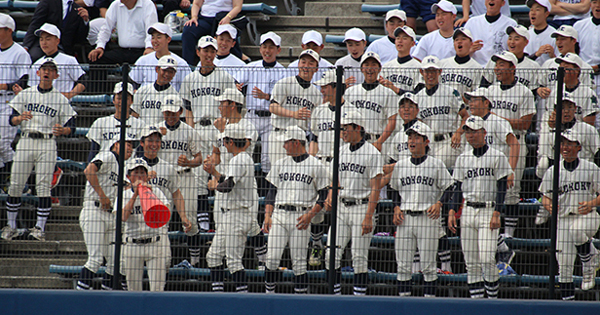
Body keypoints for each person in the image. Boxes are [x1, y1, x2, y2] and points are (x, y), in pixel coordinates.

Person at [1, 58, 76, 241]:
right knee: (16, 185)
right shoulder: (26, 94)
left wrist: (63, 130)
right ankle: (11, 226)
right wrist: (20, 119)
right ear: (38, 72)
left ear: (56, 75)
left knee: (43, 187)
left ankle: (39, 229)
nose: (47, 73)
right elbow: (12, 119)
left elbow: (71, 126)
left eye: (51, 70)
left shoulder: (59, 98)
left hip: (47, 142)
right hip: (26, 139)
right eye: (44, 69)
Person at [448, 116, 512, 299]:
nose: (470, 135)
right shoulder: (462, 158)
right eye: (467, 131)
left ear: (484, 132)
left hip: (488, 210)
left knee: (486, 258)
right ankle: (476, 303)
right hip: (467, 210)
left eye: (474, 131)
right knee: (471, 262)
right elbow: (457, 188)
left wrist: (497, 213)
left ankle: (492, 301)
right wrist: (452, 210)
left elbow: (502, 187)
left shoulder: (497, 156)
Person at [387, 123, 454, 297]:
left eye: (416, 137)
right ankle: (404, 306)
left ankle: (429, 305)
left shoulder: (436, 164)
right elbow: (392, 189)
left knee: (428, 267)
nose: (412, 141)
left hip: (427, 218)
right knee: (402, 267)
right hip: (405, 219)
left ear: (426, 141)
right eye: (410, 137)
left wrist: (439, 203)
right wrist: (396, 207)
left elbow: (449, 187)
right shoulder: (401, 165)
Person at [204, 88, 266, 267]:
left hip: (241, 185)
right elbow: (217, 153)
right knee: (222, 229)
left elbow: (241, 151)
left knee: (250, 226)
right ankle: (220, 266)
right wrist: (211, 166)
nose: (219, 107)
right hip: (223, 183)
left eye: (222, 103)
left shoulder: (248, 127)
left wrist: (224, 130)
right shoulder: (220, 128)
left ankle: (262, 261)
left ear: (232, 105)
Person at [263, 126, 329, 294]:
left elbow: (323, 195)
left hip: (301, 216)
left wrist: (310, 215)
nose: (283, 146)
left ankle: (302, 302)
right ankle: (269, 297)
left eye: (286, 142)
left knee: (299, 263)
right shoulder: (280, 164)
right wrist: (267, 216)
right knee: (271, 259)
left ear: (296, 142)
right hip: (279, 214)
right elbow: (271, 193)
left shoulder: (316, 165)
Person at [324, 110, 383, 296]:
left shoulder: (372, 153)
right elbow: (336, 180)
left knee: (359, 257)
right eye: (342, 128)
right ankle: (334, 299)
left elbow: (376, 188)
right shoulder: (340, 150)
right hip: (341, 207)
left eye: (346, 128)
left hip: (362, 207)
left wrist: (368, 216)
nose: (343, 132)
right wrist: (330, 193)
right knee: (330, 255)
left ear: (358, 128)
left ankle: (360, 302)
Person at [539, 129, 600, 298]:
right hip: (563, 219)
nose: (565, 147)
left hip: (587, 216)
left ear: (578, 146)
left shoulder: (590, 168)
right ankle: (568, 303)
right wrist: (549, 206)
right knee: (564, 267)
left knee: (576, 231)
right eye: (563, 143)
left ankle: (589, 262)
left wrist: (592, 203)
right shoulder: (553, 171)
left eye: (569, 144)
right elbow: (545, 197)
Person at [486, 51, 535, 239]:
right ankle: (493, 231)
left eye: (501, 65)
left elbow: (525, 123)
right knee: (490, 189)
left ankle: (508, 235)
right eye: (496, 64)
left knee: (512, 189)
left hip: (515, 142)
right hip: (492, 144)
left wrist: (499, 120)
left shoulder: (524, 91)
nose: (497, 68)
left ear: (513, 68)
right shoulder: (491, 90)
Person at [203, 123, 258, 293]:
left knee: (233, 261)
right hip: (230, 215)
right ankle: (218, 297)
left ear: (231, 141)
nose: (223, 144)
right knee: (213, 257)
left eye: (225, 141)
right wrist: (215, 172)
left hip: (237, 215)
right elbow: (229, 179)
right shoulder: (241, 158)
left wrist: (214, 185)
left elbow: (227, 186)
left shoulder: (239, 159)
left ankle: (246, 301)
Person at [77, 137, 134, 291]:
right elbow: (89, 170)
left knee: (116, 263)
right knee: (95, 259)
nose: (130, 148)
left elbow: (128, 187)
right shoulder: (108, 156)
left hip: (110, 216)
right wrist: (102, 195)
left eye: (131, 146)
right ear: (116, 145)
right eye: (126, 144)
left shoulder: (123, 167)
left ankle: (106, 300)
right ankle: (79, 299)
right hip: (94, 209)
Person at [535, 95, 600, 225]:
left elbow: (598, 153)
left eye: (569, 107)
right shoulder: (550, 131)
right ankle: (545, 200)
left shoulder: (587, 129)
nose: (565, 111)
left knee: (579, 231)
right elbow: (548, 155)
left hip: (585, 174)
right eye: (562, 108)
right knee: (544, 164)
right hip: (562, 174)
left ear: (575, 108)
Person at [154, 94, 202, 266]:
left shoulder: (190, 131)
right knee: (160, 220)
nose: (170, 116)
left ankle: (195, 262)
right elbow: (144, 153)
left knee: (190, 221)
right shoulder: (156, 130)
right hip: (163, 179)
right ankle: (159, 260)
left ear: (180, 111)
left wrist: (189, 162)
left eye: (173, 113)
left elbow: (199, 159)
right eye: (166, 113)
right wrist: (157, 139)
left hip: (185, 176)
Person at [234, 31, 287, 176]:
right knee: (243, 151)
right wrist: (237, 86)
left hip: (271, 118)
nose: (267, 51)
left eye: (271, 47)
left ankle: (266, 192)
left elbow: (285, 98)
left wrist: (267, 96)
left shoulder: (283, 72)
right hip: (252, 116)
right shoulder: (252, 66)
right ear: (260, 48)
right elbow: (235, 80)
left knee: (267, 158)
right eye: (264, 47)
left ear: (278, 50)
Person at [308, 69, 346, 266]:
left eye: (325, 86)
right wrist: (311, 161)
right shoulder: (318, 110)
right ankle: (316, 245)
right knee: (318, 204)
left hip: (343, 164)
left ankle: (340, 251)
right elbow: (313, 138)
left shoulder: (351, 111)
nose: (322, 90)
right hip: (321, 161)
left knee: (342, 208)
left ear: (335, 87)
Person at [138, 125, 192, 260]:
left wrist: (183, 217)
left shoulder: (167, 168)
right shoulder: (133, 166)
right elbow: (125, 189)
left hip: (160, 225)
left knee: (165, 262)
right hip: (136, 223)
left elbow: (176, 193)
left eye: (157, 141)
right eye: (150, 140)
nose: (154, 144)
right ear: (142, 143)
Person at [119, 158, 171, 291]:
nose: (139, 177)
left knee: (157, 289)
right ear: (128, 177)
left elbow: (165, 213)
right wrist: (135, 195)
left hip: (154, 243)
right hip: (132, 244)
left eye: (142, 173)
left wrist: (149, 194)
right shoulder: (123, 194)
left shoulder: (156, 191)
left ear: (147, 176)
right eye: (135, 173)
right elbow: (123, 217)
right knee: (133, 289)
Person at [87, 0, 158, 93]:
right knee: (96, 58)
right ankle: (95, 97)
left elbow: (151, 29)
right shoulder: (115, 5)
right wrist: (99, 47)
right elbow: (106, 28)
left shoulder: (148, 4)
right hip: (122, 50)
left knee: (151, 60)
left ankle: (145, 95)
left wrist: (149, 47)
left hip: (141, 51)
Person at [269, 49, 322, 165]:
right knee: (278, 176)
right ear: (298, 64)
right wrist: (293, 114)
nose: (306, 66)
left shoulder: (317, 94)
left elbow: (315, 125)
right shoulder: (284, 83)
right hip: (280, 136)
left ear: (316, 69)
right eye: (303, 62)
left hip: (301, 139)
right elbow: (272, 107)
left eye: (311, 63)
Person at [415, 56, 469, 168]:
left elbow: (465, 116)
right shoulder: (418, 97)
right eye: (427, 71)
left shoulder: (451, 92)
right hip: (428, 144)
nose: (430, 75)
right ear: (421, 72)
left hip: (448, 142)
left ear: (440, 72)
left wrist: (459, 132)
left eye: (434, 71)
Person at [0, 13, 31, 191]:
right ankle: (8, 181)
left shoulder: (19, 52)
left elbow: (24, 81)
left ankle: (18, 179)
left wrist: (3, 86)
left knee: (2, 144)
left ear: (8, 30)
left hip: (9, 102)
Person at [345, 51, 397, 152]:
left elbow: (392, 122)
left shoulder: (388, 93)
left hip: (376, 140)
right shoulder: (350, 92)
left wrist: (379, 142)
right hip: (354, 141)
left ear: (379, 69)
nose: (370, 68)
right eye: (367, 65)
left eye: (374, 65)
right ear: (361, 68)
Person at [180, 35, 236, 129]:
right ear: (198, 52)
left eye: (212, 51)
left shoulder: (225, 77)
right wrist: (191, 131)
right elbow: (188, 109)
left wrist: (225, 128)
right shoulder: (189, 79)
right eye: (205, 51)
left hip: (217, 127)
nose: (209, 55)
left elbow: (232, 106)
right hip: (197, 127)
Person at [86, 82, 146, 162]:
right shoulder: (100, 123)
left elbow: (140, 154)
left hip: (129, 169)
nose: (122, 102)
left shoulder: (140, 125)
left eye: (126, 98)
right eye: (119, 98)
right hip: (105, 169)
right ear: (113, 100)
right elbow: (93, 152)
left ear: (132, 101)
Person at [28, 23, 86, 100]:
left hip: (61, 105)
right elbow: (31, 87)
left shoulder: (69, 60)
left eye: (48, 39)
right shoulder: (37, 64)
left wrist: (69, 95)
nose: (44, 43)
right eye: (41, 39)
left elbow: (83, 81)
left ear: (57, 41)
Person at [130, 22, 191, 92]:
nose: (155, 41)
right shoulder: (143, 60)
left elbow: (187, 88)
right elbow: (133, 83)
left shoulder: (181, 63)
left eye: (159, 37)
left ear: (168, 39)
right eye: (153, 37)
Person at [22, 0, 89, 61]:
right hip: (42, 45)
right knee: (34, 57)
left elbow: (80, 38)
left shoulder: (78, 9)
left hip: (64, 48)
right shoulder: (48, 2)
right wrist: (26, 46)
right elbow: (34, 25)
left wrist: (85, 21)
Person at [481, 26, 543, 93]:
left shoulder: (533, 66)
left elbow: (533, 94)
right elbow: (483, 87)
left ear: (526, 42)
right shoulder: (495, 61)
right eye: (510, 38)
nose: (512, 42)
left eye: (516, 39)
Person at [181, 0, 243, 65]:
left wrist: (228, 17)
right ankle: (187, 66)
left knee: (226, 34)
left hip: (224, 18)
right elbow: (196, 4)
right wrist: (194, 17)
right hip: (205, 18)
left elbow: (237, 6)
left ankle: (238, 60)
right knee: (189, 30)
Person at [464, 0, 517, 65]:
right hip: (476, 69)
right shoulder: (472, 22)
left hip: (500, 70)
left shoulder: (511, 24)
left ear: (503, 3)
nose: (491, 0)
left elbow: (515, 52)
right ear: (485, 2)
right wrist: (470, 50)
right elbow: (461, 53)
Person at [132, 55, 181, 125]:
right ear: (157, 69)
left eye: (171, 72)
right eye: (164, 70)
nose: (167, 74)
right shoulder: (142, 91)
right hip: (143, 132)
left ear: (174, 74)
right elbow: (134, 116)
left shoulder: (175, 96)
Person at [439, 28, 484, 101]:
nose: (459, 42)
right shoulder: (442, 64)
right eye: (456, 40)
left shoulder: (477, 68)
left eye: (463, 39)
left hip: (466, 110)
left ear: (471, 44)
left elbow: (477, 96)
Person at [380, 26, 422, 96]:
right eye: (398, 38)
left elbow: (420, 93)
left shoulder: (418, 67)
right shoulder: (387, 66)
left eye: (404, 38)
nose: (400, 40)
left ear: (413, 44)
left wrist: (395, 89)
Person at [574, 0, 600, 97]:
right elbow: (574, 51)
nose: (598, 6)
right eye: (594, 2)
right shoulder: (579, 25)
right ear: (590, 5)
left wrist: (597, 67)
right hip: (584, 75)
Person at [525, 0, 558, 66]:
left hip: (548, 74)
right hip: (529, 74)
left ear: (546, 14)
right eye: (531, 10)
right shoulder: (526, 34)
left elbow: (561, 63)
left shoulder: (555, 34)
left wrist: (552, 56)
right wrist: (536, 54)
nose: (533, 13)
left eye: (537, 10)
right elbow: (522, 61)